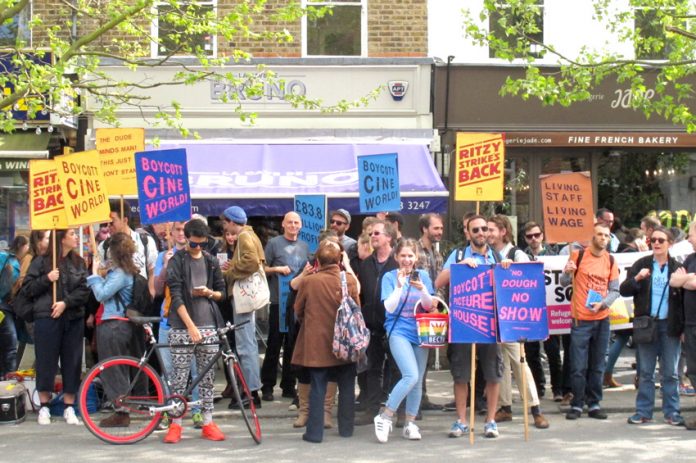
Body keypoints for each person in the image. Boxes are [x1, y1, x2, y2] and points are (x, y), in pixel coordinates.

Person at [435, 214, 504, 438]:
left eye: (484, 229)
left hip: (490, 323)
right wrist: (458, 266)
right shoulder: (458, 255)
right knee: (461, 374)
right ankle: (461, 420)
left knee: (493, 374)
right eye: (476, 230)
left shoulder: (496, 256)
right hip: (464, 322)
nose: (481, 233)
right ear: (468, 233)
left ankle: (491, 420)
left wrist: (506, 269)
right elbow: (438, 282)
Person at [163, 219, 227, 443]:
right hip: (182, 326)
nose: (198, 247)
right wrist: (190, 325)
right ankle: (175, 423)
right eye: (193, 244)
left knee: (207, 377)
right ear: (186, 239)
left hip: (208, 323)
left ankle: (208, 421)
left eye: (202, 243)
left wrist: (209, 293)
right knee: (179, 377)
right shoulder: (177, 261)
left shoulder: (210, 261)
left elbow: (222, 292)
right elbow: (176, 294)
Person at [292, 241, 360, 443]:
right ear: (340, 260)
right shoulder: (348, 280)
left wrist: (311, 323)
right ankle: (346, 429)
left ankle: (314, 433)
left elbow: (298, 310)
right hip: (345, 343)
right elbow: (357, 308)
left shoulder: (309, 281)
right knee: (347, 385)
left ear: (318, 261)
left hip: (316, 343)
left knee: (318, 386)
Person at [22, 229, 90, 426]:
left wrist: (65, 303)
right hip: (46, 317)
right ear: (61, 238)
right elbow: (27, 289)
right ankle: (44, 405)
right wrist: (46, 279)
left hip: (73, 317)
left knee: (72, 362)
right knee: (46, 360)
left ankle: (69, 407)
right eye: (72, 233)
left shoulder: (79, 262)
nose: (76, 237)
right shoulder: (41, 262)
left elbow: (84, 290)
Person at [487, 215, 549, 429]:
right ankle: (505, 407)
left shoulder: (517, 254)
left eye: (491, 230)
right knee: (500, 363)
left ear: (503, 231)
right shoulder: (488, 254)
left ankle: (534, 408)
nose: (487, 234)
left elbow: (528, 282)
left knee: (519, 362)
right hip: (493, 317)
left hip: (512, 318)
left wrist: (511, 269)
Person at [372, 239, 434, 443]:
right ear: (396, 257)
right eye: (403, 256)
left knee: (417, 379)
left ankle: (410, 423)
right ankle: (385, 416)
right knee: (410, 375)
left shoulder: (423, 275)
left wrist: (423, 289)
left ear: (416, 258)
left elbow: (428, 306)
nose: (407, 260)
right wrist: (399, 286)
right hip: (398, 330)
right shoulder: (390, 276)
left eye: (410, 256)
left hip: (421, 331)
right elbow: (389, 308)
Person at [621, 227, 685, 425]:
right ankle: (643, 411)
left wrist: (682, 328)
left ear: (670, 244)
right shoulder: (642, 264)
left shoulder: (677, 267)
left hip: (670, 326)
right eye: (653, 240)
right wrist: (638, 278)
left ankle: (672, 412)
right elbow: (624, 290)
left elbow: (684, 300)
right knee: (646, 372)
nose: (656, 243)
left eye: (661, 240)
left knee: (671, 373)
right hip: (647, 324)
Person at [561, 222, 620, 420]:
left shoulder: (611, 260)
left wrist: (603, 304)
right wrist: (566, 272)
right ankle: (577, 404)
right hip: (580, 320)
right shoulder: (577, 255)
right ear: (592, 236)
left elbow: (615, 290)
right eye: (600, 234)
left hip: (602, 320)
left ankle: (594, 403)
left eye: (607, 235)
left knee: (598, 364)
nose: (604, 238)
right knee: (578, 366)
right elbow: (563, 283)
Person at [86, 232, 138, 428]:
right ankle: (122, 407)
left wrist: (93, 275)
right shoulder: (125, 271)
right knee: (118, 368)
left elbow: (101, 295)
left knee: (112, 369)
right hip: (120, 324)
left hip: (114, 324)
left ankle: (121, 410)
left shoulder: (120, 274)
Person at [261, 211, 311, 401]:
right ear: (283, 224)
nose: (293, 225)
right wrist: (276, 269)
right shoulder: (274, 244)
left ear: (300, 225)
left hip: (296, 304)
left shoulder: (305, 246)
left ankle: (289, 385)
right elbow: (261, 269)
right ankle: (267, 386)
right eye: (289, 222)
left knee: (293, 346)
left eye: (296, 222)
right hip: (277, 302)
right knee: (273, 344)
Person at [354, 220, 398, 425]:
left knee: (398, 369)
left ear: (389, 237)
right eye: (371, 234)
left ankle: (400, 411)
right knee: (372, 369)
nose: (373, 236)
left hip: (394, 325)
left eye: (377, 233)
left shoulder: (397, 263)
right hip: (371, 325)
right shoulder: (366, 264)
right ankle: (371, 409)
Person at [222, 206, 264, 407]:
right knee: (248, 344)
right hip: (248, 296)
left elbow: (252, 262)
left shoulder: (244, 236)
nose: (224, 225)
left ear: (231, 221)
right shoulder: (251, 235)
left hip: (243, 297)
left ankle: (251, 392)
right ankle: (252, 390)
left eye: (225, 222)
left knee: (244, 345)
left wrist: (230, 272)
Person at [671, 220, 696, 429]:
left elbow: (692, 283)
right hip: (690, 324)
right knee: (693, 369)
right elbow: (674, 280)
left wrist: (686, 279)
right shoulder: (690, 259)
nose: (688, 239)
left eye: (692, 234)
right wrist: (689, 278)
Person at [0, 235, 29, 379]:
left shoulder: (8, 258)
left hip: (5, 307)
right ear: (23, 246)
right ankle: (9, 377)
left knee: (6, 344)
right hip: (3, 308)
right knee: (11, 344)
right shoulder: (10, 260)